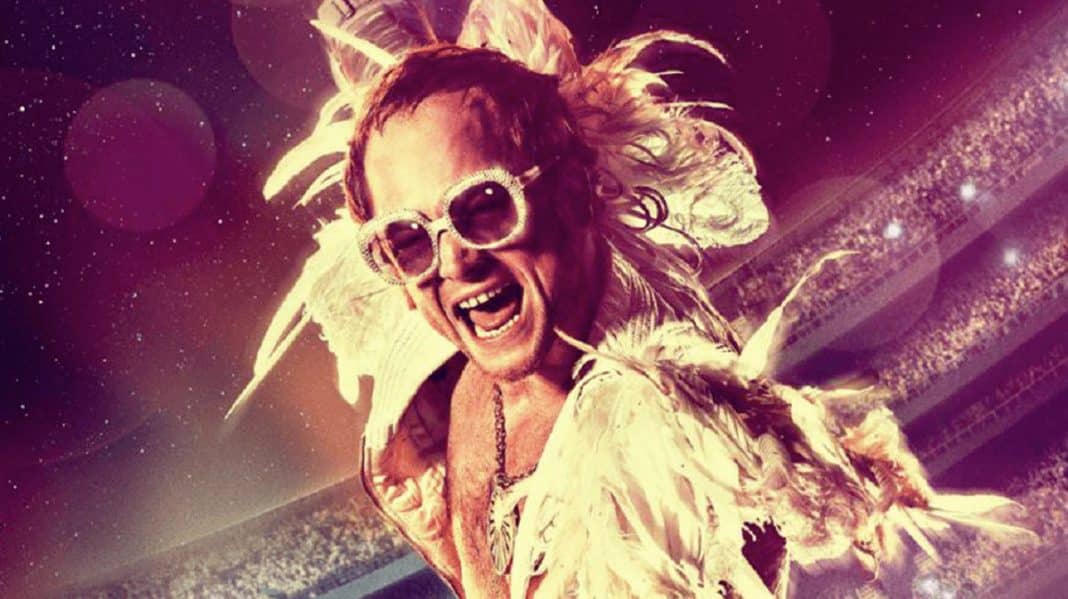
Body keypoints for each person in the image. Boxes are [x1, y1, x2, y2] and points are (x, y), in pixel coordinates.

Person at [227, 1, 1032, 597]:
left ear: (580, 188)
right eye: (408, 239)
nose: (457, 262)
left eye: (485, 205)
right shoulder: (468, 396)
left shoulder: (665, 437)